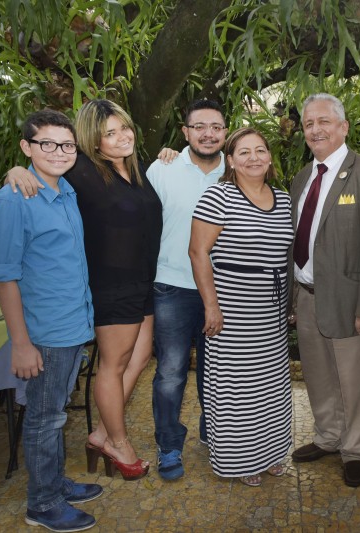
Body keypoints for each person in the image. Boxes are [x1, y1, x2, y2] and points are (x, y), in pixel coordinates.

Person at [6, 99, 162, 481]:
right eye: (109, 133)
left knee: (138, 359)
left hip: (143, 281)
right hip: (111, 284)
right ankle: (118, 444)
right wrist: (16, 170)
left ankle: (101, 434)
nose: (121, 137)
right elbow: (44, 170)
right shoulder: (83, 169)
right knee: (113, 366)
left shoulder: (136, 169)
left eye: (124, 128)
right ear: (92, 140)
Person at [0, 110, 99, 532]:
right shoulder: (13, 199)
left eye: (66, 145)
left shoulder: (66, 191)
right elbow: (4, 275)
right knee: (44, 417)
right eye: (46, 144)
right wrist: (20, 343)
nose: (58, 152)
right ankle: (42, 503)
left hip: (73, 325)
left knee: (54, 412)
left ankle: (54, 482)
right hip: (44, 332)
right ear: (26, 147)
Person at [289, 93, 360, 487]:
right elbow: (296, 241)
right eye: (308, 125)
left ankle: (355, 450)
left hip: (353, 304)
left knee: (353, 383)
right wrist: (294, 299)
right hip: (308, 297)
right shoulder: (302, 177)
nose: (315, 130)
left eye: (323, 122)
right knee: (318, 376)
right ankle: (328, 437)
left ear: (343, 127)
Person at [189, 127, 294, 487]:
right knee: (237, 387)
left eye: (260, 150)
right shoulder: (218, 196)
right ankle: (240, 460)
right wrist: (211, 306)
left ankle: (271, 453)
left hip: (271, 309)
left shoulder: (283, 199)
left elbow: (285, 257)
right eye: (244, 152)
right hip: (231, 307)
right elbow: (198, 252)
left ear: (269, 157)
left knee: (270, 383)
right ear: (230, 160)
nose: (254, 158)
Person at [146, 99, 227, 480]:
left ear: (226, 132)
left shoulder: (239, 170)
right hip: (172, 287)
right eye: (200, 126)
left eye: (215, 126)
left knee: (218, 371)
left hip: (223, 290)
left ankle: (216, 436)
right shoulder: (161, 170)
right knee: (172, 371)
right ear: (185, 132)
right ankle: (168, 446)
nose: (208, 133)